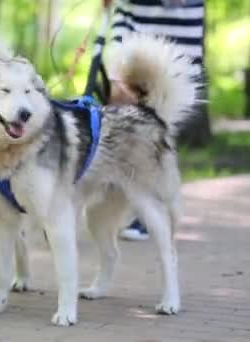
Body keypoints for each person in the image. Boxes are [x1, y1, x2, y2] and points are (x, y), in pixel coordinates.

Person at [102, 0, 205, 241]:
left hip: (175, 41)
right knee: (123, 126)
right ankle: (127, 207)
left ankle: (148, 211)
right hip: (131, 28)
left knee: (157, 127)